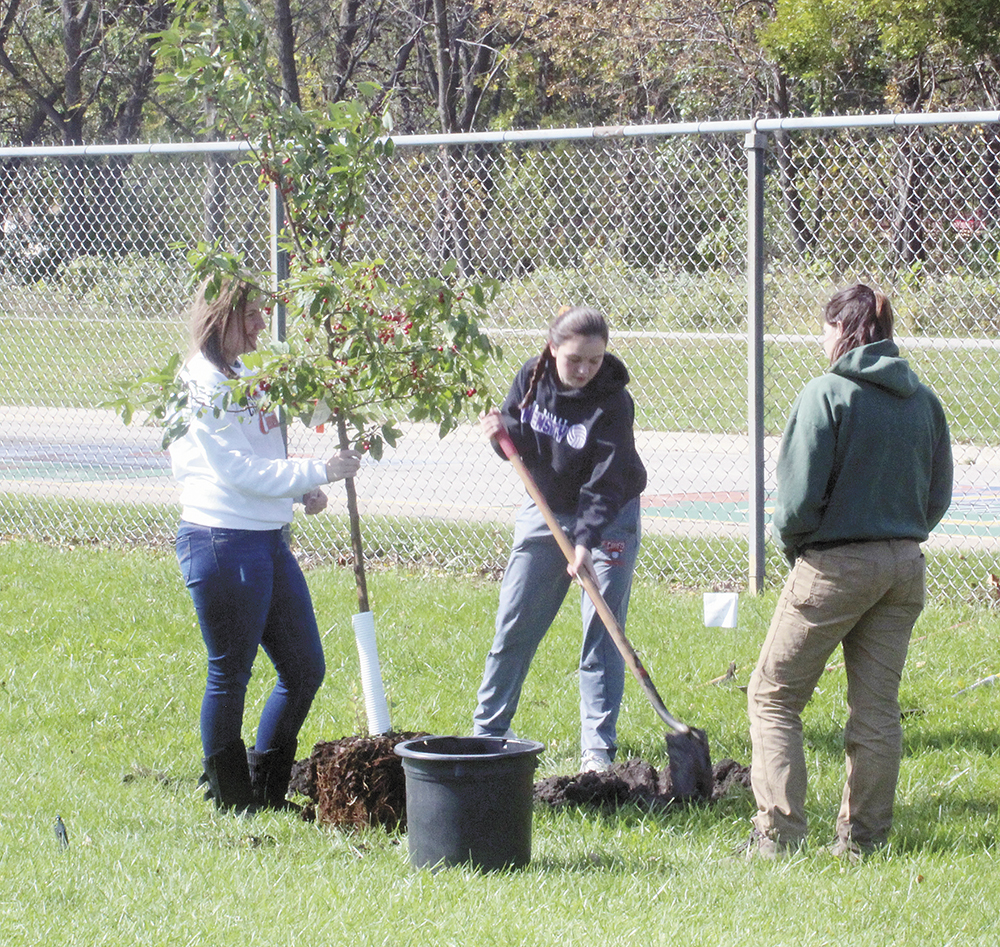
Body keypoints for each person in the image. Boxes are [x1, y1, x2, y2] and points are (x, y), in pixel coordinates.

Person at [746, 283, 953, 859]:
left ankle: (778, 836)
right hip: (904, 565)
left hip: (835, 564)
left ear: (841, 331)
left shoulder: (827, 394)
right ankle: (864, 840)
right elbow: (938, 495)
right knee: (876, 707)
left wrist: (800, 551)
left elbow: (796, 503)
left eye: (825, 329)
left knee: (773, 696)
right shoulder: (923, 400)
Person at [168, 278, 362, 813]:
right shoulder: (203, 382)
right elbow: (234, 468)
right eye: (248, 315)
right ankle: (232, 799)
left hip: (269, 538)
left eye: (261, 313)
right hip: (222, 537)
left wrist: (301, 488)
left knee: (304, 668)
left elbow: (274, 439)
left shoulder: (253, 369)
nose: (259, 325)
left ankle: (268, 784)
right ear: (217, 317)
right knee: (230, 670)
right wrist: (318, 470)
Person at [473, 305, 647, 773]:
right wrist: (499, 434)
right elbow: (520, 442)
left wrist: (587, 542)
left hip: (608, 518)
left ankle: (597, 751)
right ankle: (488, 731)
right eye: (575, 360)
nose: (586, 370)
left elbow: (606, 483)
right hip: (547, 508)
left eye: (594, 360)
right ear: (552, 349)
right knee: (516, 620)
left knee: (602, 630)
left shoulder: (612, 402)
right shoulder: (532, 375)